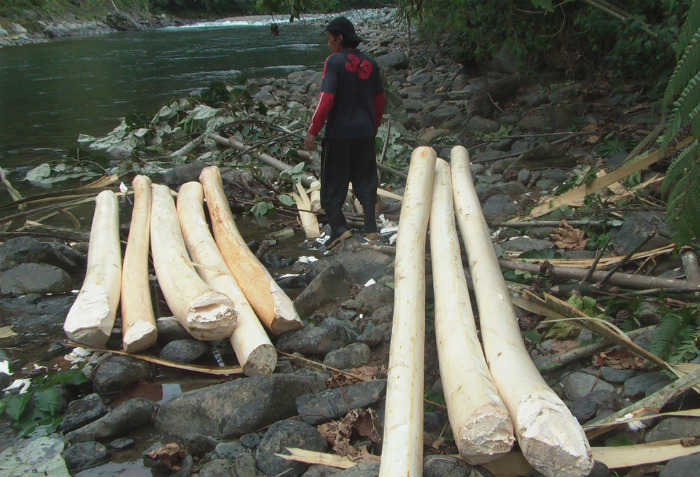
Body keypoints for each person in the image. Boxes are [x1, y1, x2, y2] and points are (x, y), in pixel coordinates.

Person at [305, 16, 386, 249]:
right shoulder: (371, 63)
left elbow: (326, 99)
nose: (328, 44)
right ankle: (371, 229)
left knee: (332, 186)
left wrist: (313, 131)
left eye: (330, 39)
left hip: (339, 135)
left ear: (339, 38)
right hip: (365, 134)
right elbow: (379, 100)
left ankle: (340, 230)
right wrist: (373, 126)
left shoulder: (333, 62)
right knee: (365, 181)